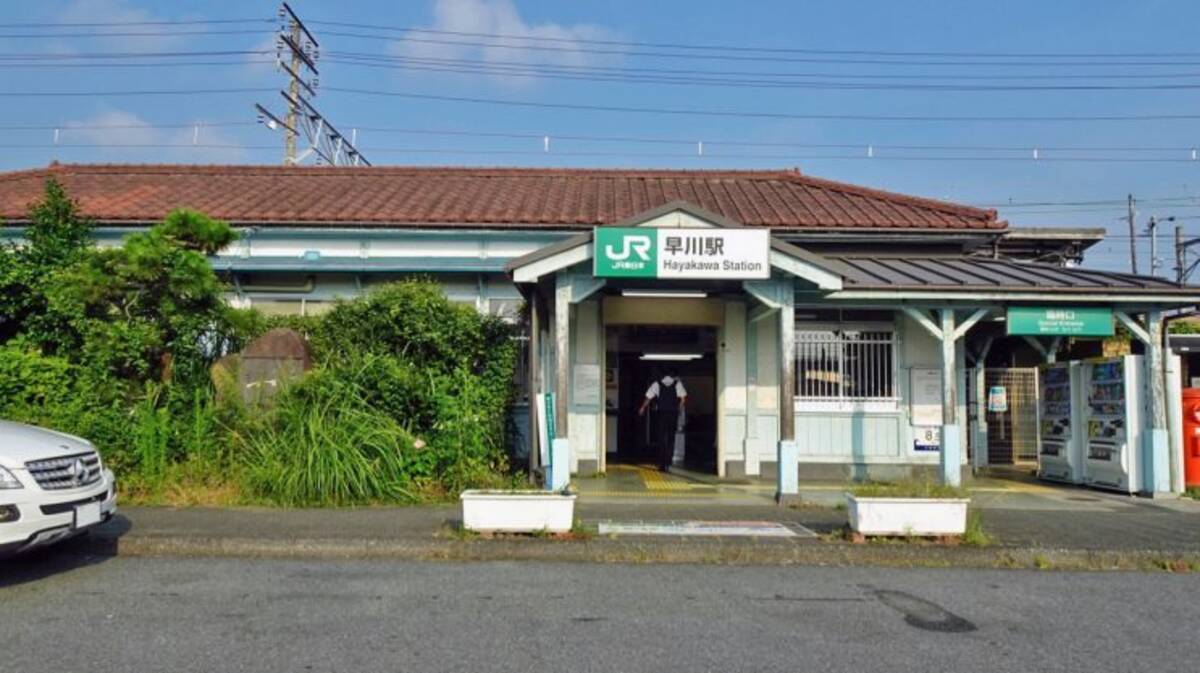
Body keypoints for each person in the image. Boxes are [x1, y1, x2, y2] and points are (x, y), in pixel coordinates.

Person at [637, 369, 687, 472]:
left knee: (661, 438)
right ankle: (668, 462)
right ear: (672, 376)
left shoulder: (657, 384)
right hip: (673, 414)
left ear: (662, 376)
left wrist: (642, 408)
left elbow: (648, 397)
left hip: (661, 414)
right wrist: (679, 409)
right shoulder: (677, 384)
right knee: (671, 438)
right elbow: (683, 398)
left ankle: (661, 464)